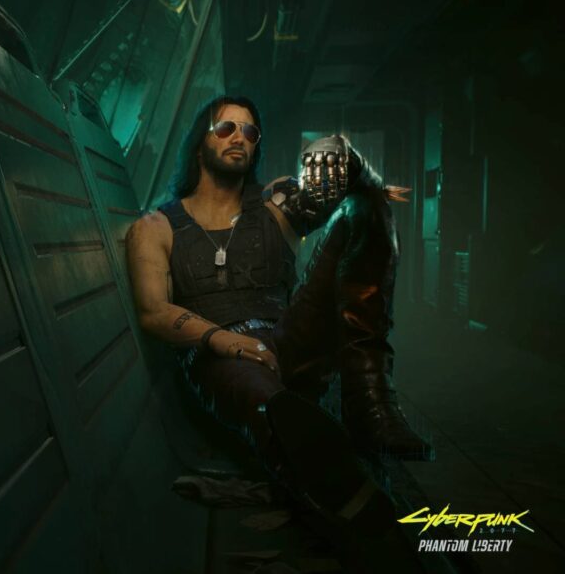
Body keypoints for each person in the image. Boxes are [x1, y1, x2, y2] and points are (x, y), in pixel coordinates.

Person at [125, 95, 430, 571]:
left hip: (287, 339)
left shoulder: (277, 203)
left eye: (249, 132)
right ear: (200, 141)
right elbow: (154, 312)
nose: (239, 138)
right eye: (226, 128)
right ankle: (358, 517)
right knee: (270, 402)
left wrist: (345, 156)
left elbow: (353, 193)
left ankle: (368, 396)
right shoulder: (157, 226)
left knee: (366, 207)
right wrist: (226, 341)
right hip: (220, 359)